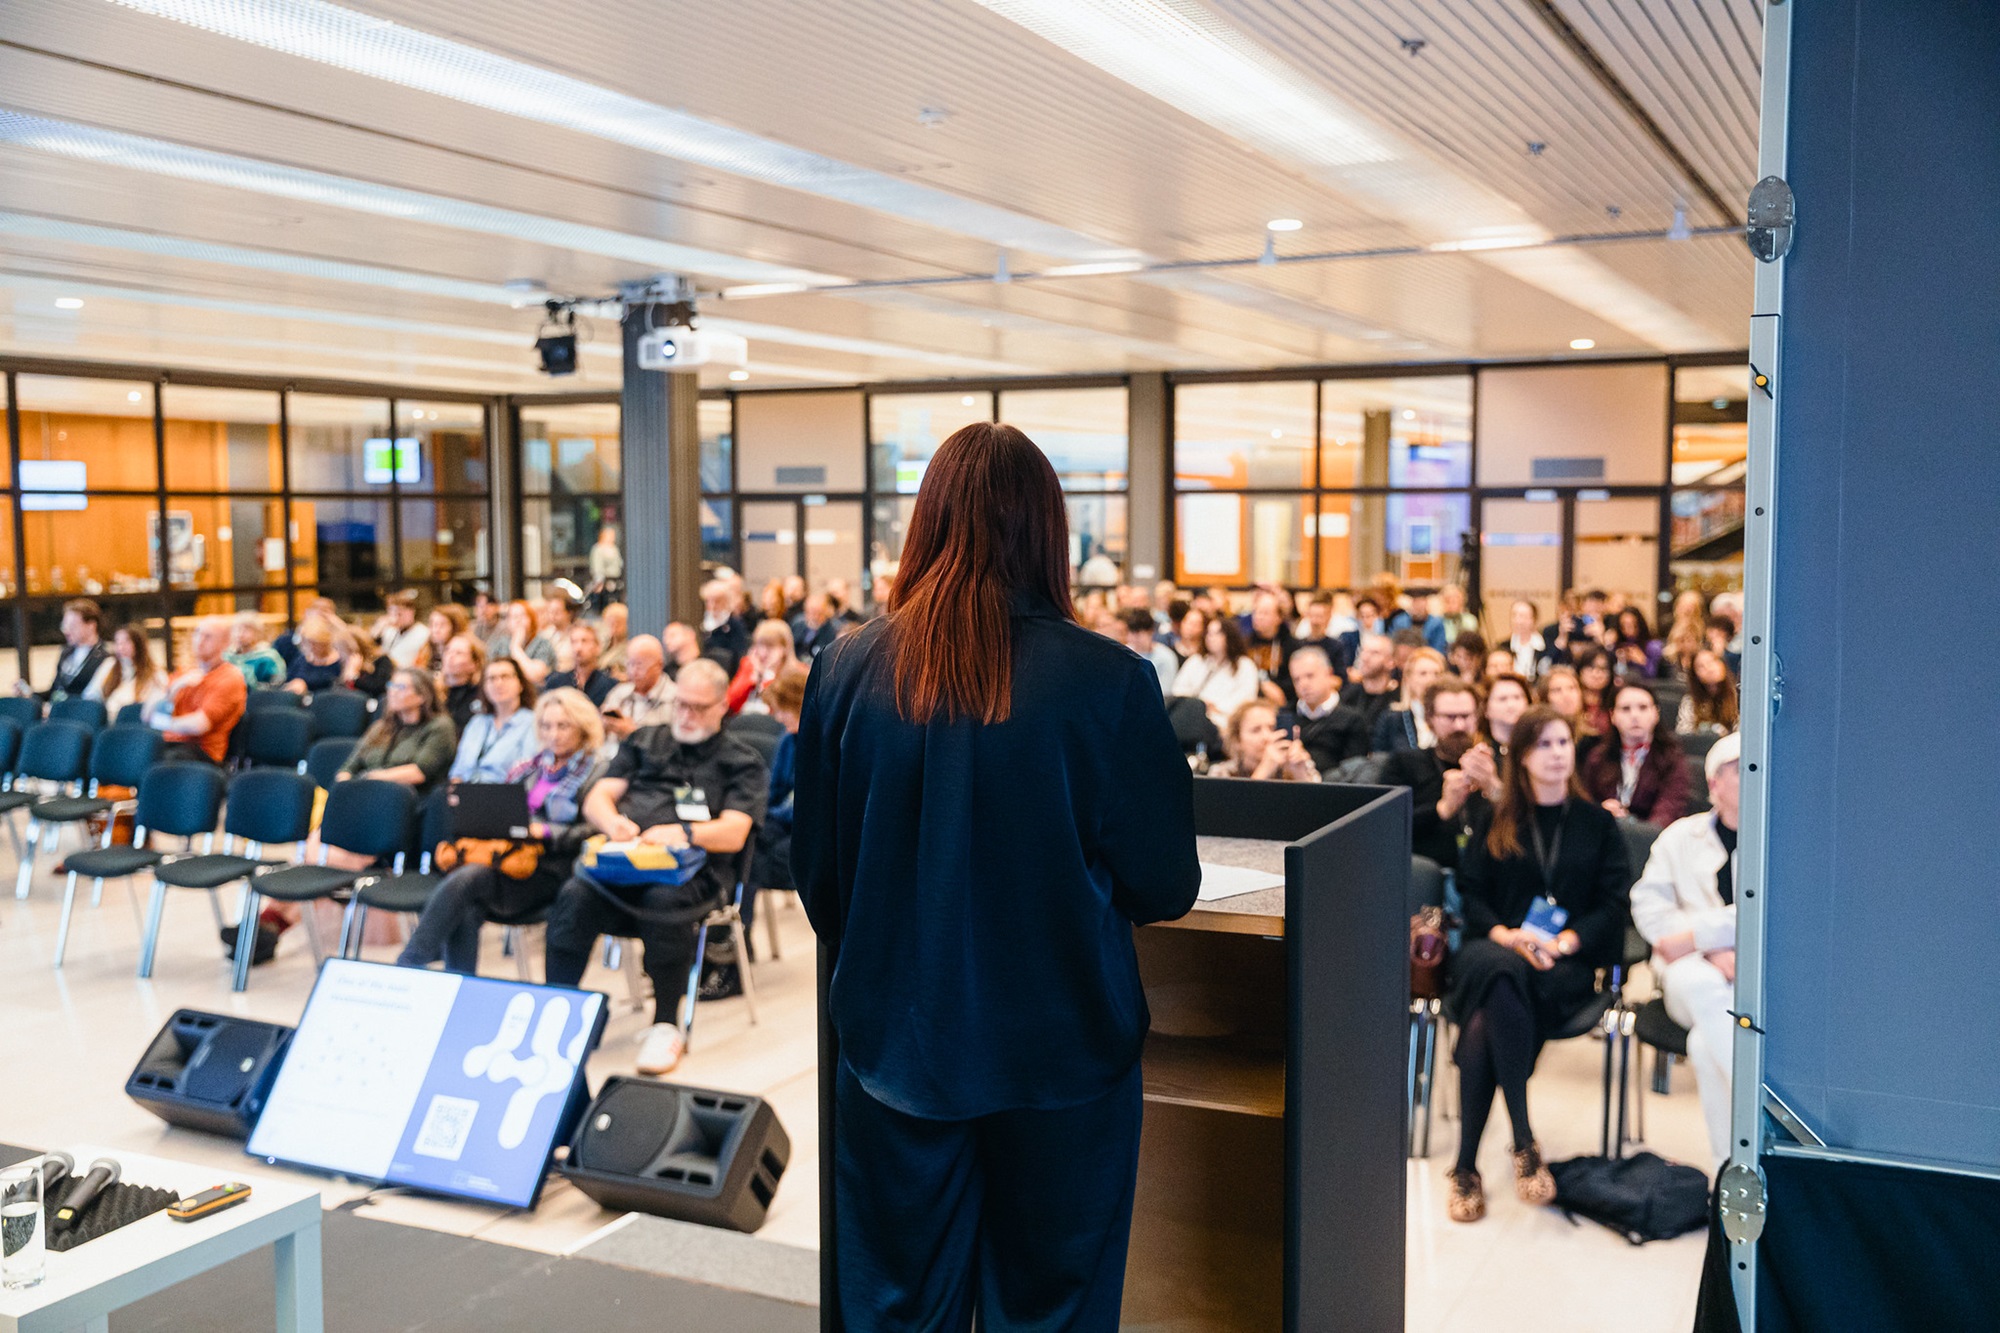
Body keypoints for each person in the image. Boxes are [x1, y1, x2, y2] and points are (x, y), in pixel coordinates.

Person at [793, 421, 1198, 1332]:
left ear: (925, 521)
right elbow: (1166, 883)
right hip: (1066, 1055)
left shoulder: (846, 670)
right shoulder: (1110, 681)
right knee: (1053, 1309)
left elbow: (820, 880)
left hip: (894, 1052)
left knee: (896, 1312)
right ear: (1049, 530)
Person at [1445, 706, 1632, 1223]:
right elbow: (1471, 893)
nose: (1556, 754)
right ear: (1522, 757)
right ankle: (1523, 1143)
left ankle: (1465, 1166)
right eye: (1544, 744)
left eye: (1563, 743)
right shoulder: (1495, 817)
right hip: (1497, 947)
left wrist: (1565, 942)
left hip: (1563, 963)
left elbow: (1613, 905)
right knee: (1501, 971)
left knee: (1487, 1012)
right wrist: (1509, 936)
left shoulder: (1597, 823)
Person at [543, 657, 766, 1076]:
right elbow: (598, 797)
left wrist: (685, 832)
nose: (686, 714)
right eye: (681, 703)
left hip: (696, 874)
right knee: (574, 895)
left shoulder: (742, 761)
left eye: (698, 707)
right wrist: (613, 823)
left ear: (722, 706)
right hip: (626, 863)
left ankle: (666, 1023)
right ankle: (559, 1007)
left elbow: (735, 833)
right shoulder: (646, 740)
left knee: (665, 898)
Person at [398, 689, 605, 975]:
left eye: (563, 726)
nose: (553, 734)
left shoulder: (596, 770)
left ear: (582, 727)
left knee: (469, 878)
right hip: (506, 859)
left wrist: (545, 831)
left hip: (552, 868)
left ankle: (408, 964)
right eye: (546, 726)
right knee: (467, 904)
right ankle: (457, 986)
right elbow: (505, 808)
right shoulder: (530, 767)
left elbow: (595, 830)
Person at [1631, 732, 1743, 1164]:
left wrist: (1699, 937)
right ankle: (1758, 1113)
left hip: (1753, 971)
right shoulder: (1680, 838)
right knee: (1707, 989)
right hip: (1690, 974)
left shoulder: (1782, 840)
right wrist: (1710, 950)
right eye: (1740, 770)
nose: (1754, 778)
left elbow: (1775, 912)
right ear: (1714, 783)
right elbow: (1650, 910)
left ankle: (1728, 1172)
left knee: (1702, 1044)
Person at [1382, 677, 1487, 869]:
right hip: (1425, 867)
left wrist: (1493, 789)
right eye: (1450, 717)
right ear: (1429, 720)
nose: (1459, 726)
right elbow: (1386, 826)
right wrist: (1441, 809)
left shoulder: (1493, 766)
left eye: (1466, 716)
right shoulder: (1404, 764)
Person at [1581, 682, 1691, 826]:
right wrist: (1600, 811)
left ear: (1656, 714)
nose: (1634, 716)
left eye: (1643, 708)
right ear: (1612, 716)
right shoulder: (1598, 758)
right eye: (1625, 709)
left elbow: (1668, 813)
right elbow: (1585, 807)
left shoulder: (1671, 759)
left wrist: (1636, 830)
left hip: (1651, 835)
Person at [337, 668, 457, 796]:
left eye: (400, 687)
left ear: (421, 696)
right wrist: (345, 789)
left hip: (410, 799)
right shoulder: (380, 727)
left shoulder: (439, 726)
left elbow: (419, 773)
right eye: (391, 685)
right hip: (367, 794)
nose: (392, 692)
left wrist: (369, 778)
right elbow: (348, 767)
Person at [149, 617, 247, 764]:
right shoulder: (185, 672)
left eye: (208, 637)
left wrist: (162, 722)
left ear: (225, 643)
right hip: (168, 744)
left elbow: (199, 726)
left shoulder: (230, 678)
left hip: (202, 753)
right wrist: (174, 688)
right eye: (197, 634)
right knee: (135, 750)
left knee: (158, 760)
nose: (199, 641)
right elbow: (147, 714)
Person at [449, 658, 538, 783]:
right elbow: (458, 770)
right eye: (491, 678)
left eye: (505, 676)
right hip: (465, 790)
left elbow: (527, 772)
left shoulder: (532, 722)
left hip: (504, 791)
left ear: (521, 684)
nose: (498, 684)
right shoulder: (477, 723)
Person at [1283, 645, 1367, 773]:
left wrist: (1308, 763)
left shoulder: (1352, 720)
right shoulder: (1285, 716)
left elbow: (1354, 772)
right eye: (1296, 679)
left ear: (1329, 674)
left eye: (1310, 676)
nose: (1303, 684)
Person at [1170, 613, 1262, 727]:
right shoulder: (1196, 660)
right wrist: (1199, 705)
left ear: (1229, 636)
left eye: (1217, 634)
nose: (1210, 638)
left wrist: (1216, 707)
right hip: (1194, 717)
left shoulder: (1244, 665)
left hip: (1226, 721)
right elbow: (1178, 689)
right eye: (1208, 633)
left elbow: (1246, 698)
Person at [17, 598, 110, 701]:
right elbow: (55, 692)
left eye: (72, 626)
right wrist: (30, 695)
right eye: (64, 625)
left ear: (91, 626)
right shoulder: (66, 652)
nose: (66, 631)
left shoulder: (105, 658)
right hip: (59, 709)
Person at [1208, 699, 1320, 781]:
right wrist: (1264, 770)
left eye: (1272, 728)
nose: (1267, 736)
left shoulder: (1299, 764)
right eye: (1256, 730)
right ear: (1237, 740)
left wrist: (1300, 775)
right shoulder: (1222, 773)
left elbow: (1319, 804)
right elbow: (1234, 807)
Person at [602, 635, 675, 740]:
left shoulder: (675, 699)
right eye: (630, 664)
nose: (633, 672)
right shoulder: (619, 693)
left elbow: (672, 744)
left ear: (659, 666)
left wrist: (633, 734)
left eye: (639, 666)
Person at [1374, 647, 1446, 753]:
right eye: (1423, 673)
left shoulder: (1452, 718)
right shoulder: (1392, 719)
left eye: (1437, 674)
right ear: (1408, 679)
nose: (1431, 680)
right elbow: (1379, 756)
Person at [725, 620, 798, 716]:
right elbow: (730, 702)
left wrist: (765, 679)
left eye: (770, 647)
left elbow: (781, 709)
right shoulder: (749, 665)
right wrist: (752, 679)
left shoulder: (796, 673)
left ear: (784, 648)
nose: (763, 653)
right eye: (760, 645)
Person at [93, 625, 169, 715]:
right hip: (108, 720)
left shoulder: (156, 674)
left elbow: (159, 707)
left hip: (135, 720)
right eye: (117, 643)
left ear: (138, 645)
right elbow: (92, 695)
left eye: (126, 642)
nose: (121, 648)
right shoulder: (109, 665)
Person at [1340, 633, 1399, 739]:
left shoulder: (1397, 701)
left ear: (1391, 662)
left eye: (1374, 653)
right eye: (1363, 651)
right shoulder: (1348, 695)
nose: (1365, 658)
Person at [1240, 590, 1296, 699]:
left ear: (1279, 618)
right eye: (1256, 612)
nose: (1258, 617)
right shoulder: (1245, 643)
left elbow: (1293, 682)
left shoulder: (1291, 645)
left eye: (1265, 613)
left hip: (1281, 699)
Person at [545, 622, 615, 708]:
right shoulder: (556, 683)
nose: (578, 648)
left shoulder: (610, 686)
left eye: (584, 641)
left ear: (597, 647)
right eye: (574, 642)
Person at [281, 613, 348, 696]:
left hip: (328, 700)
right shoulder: (301, 660)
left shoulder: (340, 662)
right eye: (307, 643)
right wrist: (294, 685)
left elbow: (343, 690)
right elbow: (286, 683)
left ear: (325, 642)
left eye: (315, 644)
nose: (311, 648)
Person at [1678, 648, 1740, 735]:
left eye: (1712, 661)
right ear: (1695, 675)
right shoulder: (1690, 701)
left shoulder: (1739, 697)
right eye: (1701, 666)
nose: (1709, 669)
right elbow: (1684, 734)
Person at [498, 599, 558, 686]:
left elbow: (535, 676)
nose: (518, 620)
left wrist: (516, 647)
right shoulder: (501, 644)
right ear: (508, 622)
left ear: (531, 620)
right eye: (514, 617)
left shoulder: (542, 643)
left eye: (522, 616)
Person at [437, 634, 488, 733]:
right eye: (447, 650)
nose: (450, 657)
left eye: (459, 653)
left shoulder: (481, 694)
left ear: (474, 664)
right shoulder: (434, 692)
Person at [1122, 609, 1180, 694]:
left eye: (1138, 633)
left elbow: (1166, 692)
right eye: (1131, 633)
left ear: (1151, 632)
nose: (1133, 638)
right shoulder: (1124, 654)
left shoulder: (1166, 657)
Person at [220, 615, 285, 689]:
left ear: (258, 633)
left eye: (246, 630)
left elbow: (277, 685)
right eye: (237, 630)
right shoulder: (226, 656)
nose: (240, 634)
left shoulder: (267, 658)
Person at [700, 580, 751, 675]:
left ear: (727, 602)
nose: (712, 606)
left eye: (717, 601)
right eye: (708, 601)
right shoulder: (703, 625)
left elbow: (739, 655)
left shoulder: (735, 625)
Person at [1482, 673, 1534, 758]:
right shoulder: (1479, 750)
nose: (1511, 705)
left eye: (1517, 697)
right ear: (1485, 708)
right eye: (1502, 699)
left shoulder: (1537, 748)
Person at [375, 590, 428, 668]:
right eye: (392, 612)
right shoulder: (390, 631)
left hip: (408, 672)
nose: (396, 616)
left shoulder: (423, 633)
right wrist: (378, 629)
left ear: (412, 612)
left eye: (400, 613)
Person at [1573, 646, 1615, 737]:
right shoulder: (1570, 700)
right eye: (1590, 667)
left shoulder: (1615, 703)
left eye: (1603, 669)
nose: (1596, 674)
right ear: (1580, 670)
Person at [1610, 608, 1664, 679]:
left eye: (1631, 625)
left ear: (1638, 624)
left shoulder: (1653, 646)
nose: (1627, 629)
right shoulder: (1618, 645)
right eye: (1623, 626)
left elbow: (1655, 675)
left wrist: (1642, 661)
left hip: (1645, 683)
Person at [1504, 600, 1546, 680]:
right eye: (1514, 615)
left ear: (1534, 619)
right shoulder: (1504, 647)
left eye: (1523, 616)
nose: (1518, 621)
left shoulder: (1544, 646)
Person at [423, 604, 470, 673]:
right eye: (433, 624)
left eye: (442, 625)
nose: (436, 630)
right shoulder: (429, 648)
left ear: (454, 627)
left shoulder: (461, 650)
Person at [791, 593, 839, 660]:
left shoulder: (833, 630)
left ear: (825, 611)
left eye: (817, 612)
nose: (813, 616)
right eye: (809, 611)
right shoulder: (797, 624)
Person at [588, 526, 624, 598]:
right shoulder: (598, 549)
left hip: (616, 579)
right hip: (605, 580)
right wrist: (599, 581)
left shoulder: (614, 548)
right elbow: (597, 566)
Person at [598, 602, 630, 677]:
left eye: (618, 622)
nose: (614, 626)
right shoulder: (602, 643)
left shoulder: (630, 647)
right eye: (610, 622)